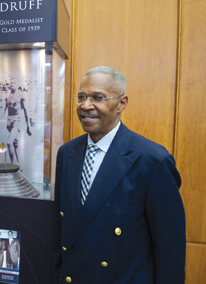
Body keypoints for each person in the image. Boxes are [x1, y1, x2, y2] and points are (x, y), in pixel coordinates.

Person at [52, 66, 186, 283]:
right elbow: (59, 231)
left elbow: (170, 247)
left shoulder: (152, 160)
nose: (86, 106)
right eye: (82, 97)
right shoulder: (67, 153)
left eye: (98, 97)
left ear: (121, 103)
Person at [3, 82, 32, 163]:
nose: (11, 84)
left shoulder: (21, 96)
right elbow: (3, 111)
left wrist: (28, 126)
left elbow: (26, 111)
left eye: (13, 82)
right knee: (15, 145)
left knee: (9, 143)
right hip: (9, 124)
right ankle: (19, 166)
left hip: (17, 123)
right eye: (10, 83)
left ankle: (13, 165)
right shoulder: (7, 97)